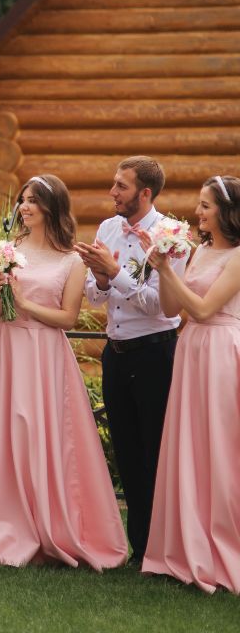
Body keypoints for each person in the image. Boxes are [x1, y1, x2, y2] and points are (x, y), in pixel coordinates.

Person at [0, 174, 127, 569]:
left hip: (45, 356)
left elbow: (67, 317)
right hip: (6, 351)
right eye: (23, 201)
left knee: (41, 433)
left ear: (51, 208)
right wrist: (1, 294)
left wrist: (24, 303)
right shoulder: (8, 250)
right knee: (2, 435)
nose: (24, 207)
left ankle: (51, 523)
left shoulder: (72, 260)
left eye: (33, 201)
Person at [73, 156, 185, 564]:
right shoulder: (107, 228)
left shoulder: (172, 236)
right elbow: (94, 294)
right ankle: (139, 547)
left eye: (120, 186)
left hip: (156, 352)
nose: (111, 192)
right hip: (115, 354)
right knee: (125, 450)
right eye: (113, 184)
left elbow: (161, 306)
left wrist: (114, 272)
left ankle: (164, 547)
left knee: (157, 449)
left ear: (145, 193)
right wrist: (102, 277)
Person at [141, 175, 240, 594]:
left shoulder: (238, 256)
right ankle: (186, 545)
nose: (198, 212)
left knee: (220, 447)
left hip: (221, 350)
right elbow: (171, 308)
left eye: (206, 205)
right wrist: (168, 266)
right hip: (192, 350)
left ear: (228, 211)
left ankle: (223, 548)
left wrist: (167, 268)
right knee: (190, 445)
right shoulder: (198, 252)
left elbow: (202, 308)